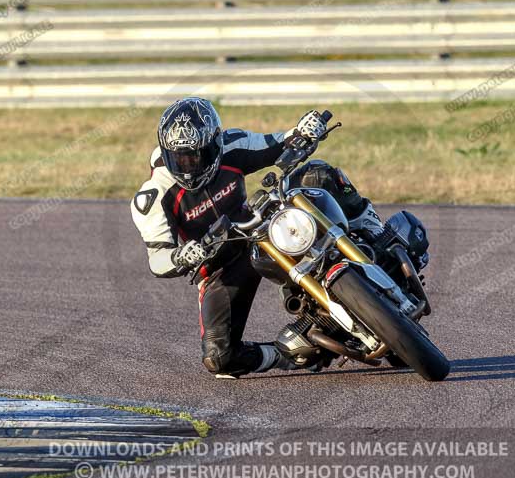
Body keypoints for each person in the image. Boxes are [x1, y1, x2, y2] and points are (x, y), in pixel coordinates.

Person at [131, 97, 382, 378]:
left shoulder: (232, 144)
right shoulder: (151, 196)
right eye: (178, 157)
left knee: (316, 174)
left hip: (257, 230)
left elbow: (279, 143)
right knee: (219, 358)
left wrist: (304, 130)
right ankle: (293, 353)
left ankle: (374, 233)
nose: (187, 166)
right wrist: (183, 255)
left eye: (194, 156)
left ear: (215, 144)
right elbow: (157, 260)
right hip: (217, 264)